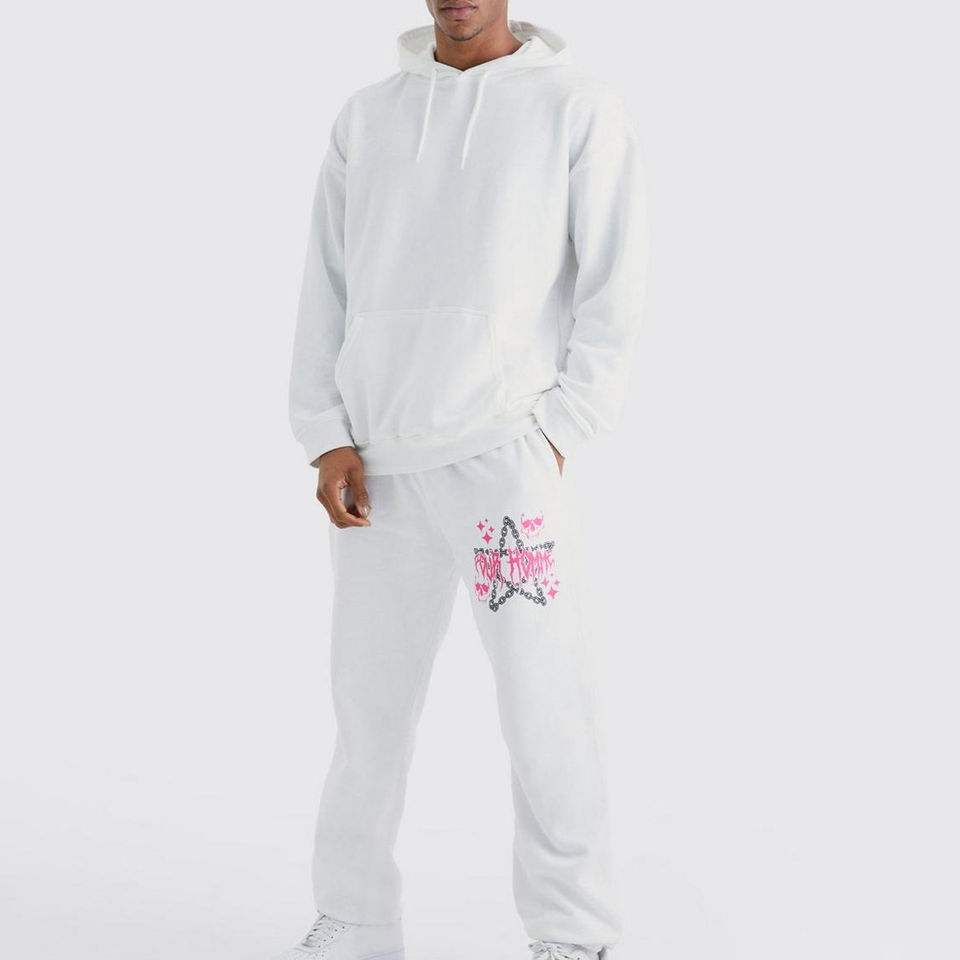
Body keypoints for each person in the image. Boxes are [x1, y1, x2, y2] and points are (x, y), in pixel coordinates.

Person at [279, 2, 647, 958]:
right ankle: (358, 917)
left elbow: (614, 281)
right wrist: (325, 434)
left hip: (504, 465)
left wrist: (563, 427)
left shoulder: (575, 105)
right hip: (379, 468)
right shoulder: (368, 115)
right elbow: (326, 281)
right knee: (367, 711)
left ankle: (573, 934)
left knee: (544, 705)